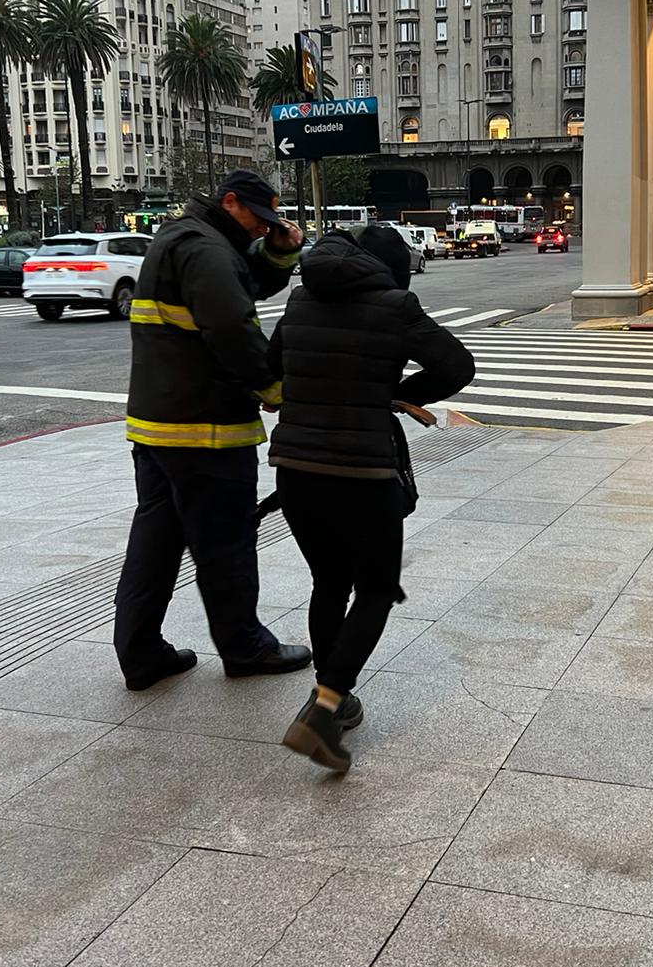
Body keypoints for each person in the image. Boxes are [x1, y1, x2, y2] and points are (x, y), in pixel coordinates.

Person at [267, 226, 475, 771]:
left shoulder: (301, 297)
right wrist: (397, 394)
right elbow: (457, 366)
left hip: (295, 469)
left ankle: (332, 700)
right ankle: (326, 704)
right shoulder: (396, 304)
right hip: (362, 472)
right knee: (376, 589)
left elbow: (271, 370)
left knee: (329, 582)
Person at [112, 170, 314, 690]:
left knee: (154, 545)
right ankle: (244, 646)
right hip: (205, 430)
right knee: (225, 544)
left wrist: (279, 252)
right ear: (230, 202)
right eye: (256, 219)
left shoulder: (184, 238)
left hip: (157, 428)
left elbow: (239, 283)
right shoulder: (206, 250)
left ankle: (140, 653)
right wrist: (275, 390)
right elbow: (230, 326)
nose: (259, 229)